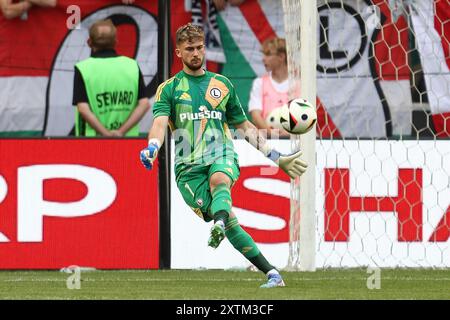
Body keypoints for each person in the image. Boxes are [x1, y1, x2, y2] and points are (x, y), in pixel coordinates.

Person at [139, 23, 307, 288]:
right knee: (231, 223)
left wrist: (276, 157)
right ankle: (273, 273)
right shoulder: (169, 89)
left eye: (200, 47)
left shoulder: (222, 85)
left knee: (220, 180)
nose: (196, 53)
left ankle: (218, 223)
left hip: (221, 152)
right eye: (190, 49)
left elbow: (245, 127)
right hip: (188, 167)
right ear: (179, 52)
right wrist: (152, 147)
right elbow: (159, 123)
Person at [72, 19, 150, 137]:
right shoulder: (132, 65)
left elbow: (83, 109)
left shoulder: (83, 68)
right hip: (127, 140)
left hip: (91, 142)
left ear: (89, 42)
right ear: (116, 42)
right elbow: (144, 104)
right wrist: (120, 132)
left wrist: (106, 134)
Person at [248, 37, 291, 138]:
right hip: (265, 142)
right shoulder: (260, 83)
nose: (263, 58)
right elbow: (255, 115)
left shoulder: (298, 84)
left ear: (281, 56)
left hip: (295, 141)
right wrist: (272, 134)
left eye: (267, 54)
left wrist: (290, 135)